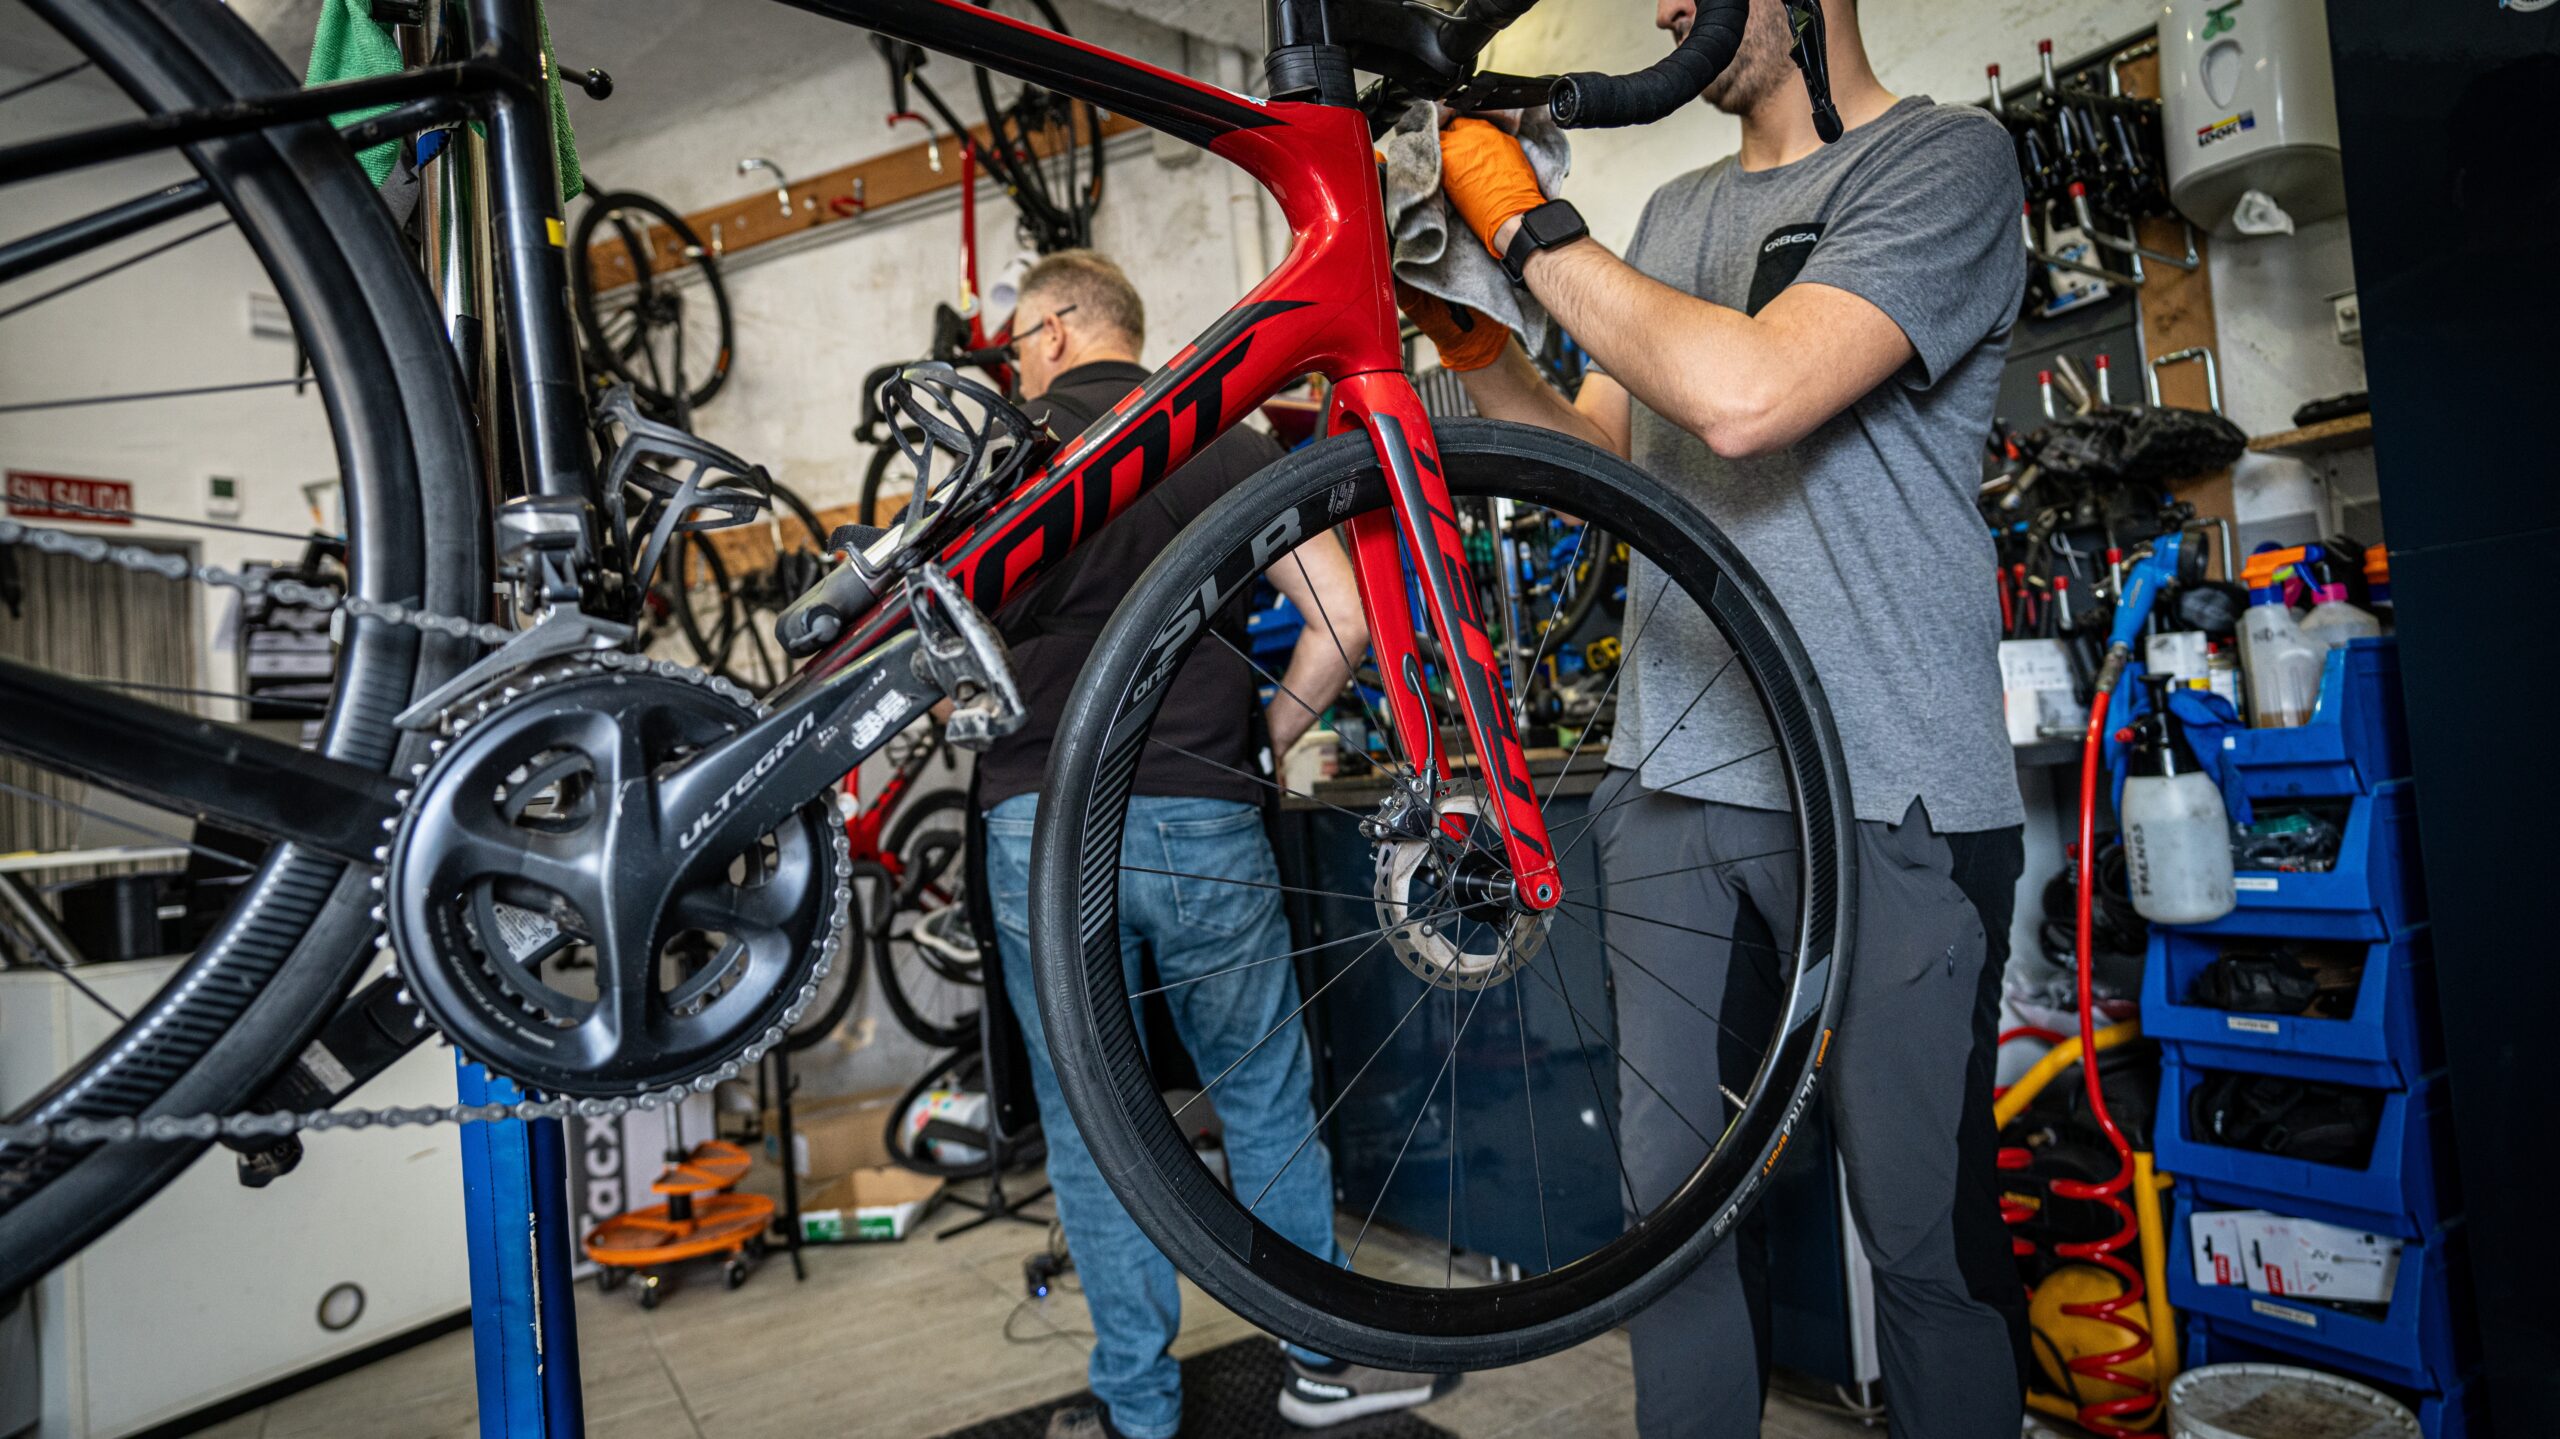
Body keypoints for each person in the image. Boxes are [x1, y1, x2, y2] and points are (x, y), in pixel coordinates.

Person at [1408, 1, 2032, 1435]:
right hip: (1674, 776)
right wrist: (1469, 326)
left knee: (1921, 1229)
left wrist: (1526, 226)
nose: (1668, 12)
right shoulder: (1675, 211)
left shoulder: (1941, 163)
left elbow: (1748, 396)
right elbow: (1606, 459)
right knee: (1669, 1216)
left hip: (1889, 789)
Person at [973, 251, 1450, 1439]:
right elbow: (1343, 619)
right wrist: (1262, 735)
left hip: (1039, 821)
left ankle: (1136, 1404)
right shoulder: (1219, 442)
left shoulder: (1004, 456)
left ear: (1059, 329)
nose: (1016, 363)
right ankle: (1319, 1365)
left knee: (1093, 1120)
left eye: (1019, 340)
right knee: (1261, 1092)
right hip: (1200, 813)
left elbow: (944, 659)